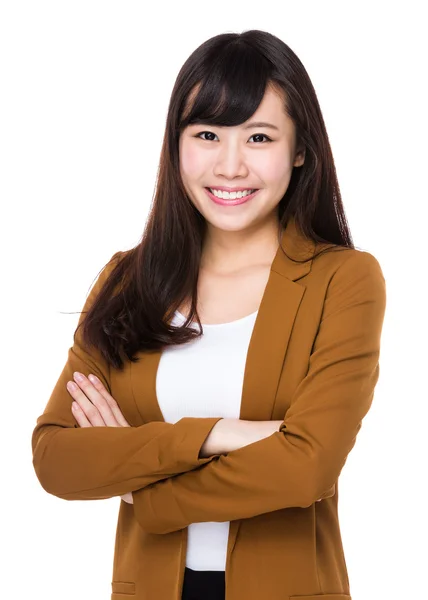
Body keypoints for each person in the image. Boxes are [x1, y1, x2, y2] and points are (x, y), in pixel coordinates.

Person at [31, 29, 387, 600]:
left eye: (259, 137)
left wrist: (140, 483)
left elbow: (308, 468)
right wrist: (221, 435)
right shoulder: (128, 279)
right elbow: (55, 458)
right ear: (177, 145)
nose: (229, 165)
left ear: (299, 151)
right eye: (207, 134)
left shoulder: (343, 281)